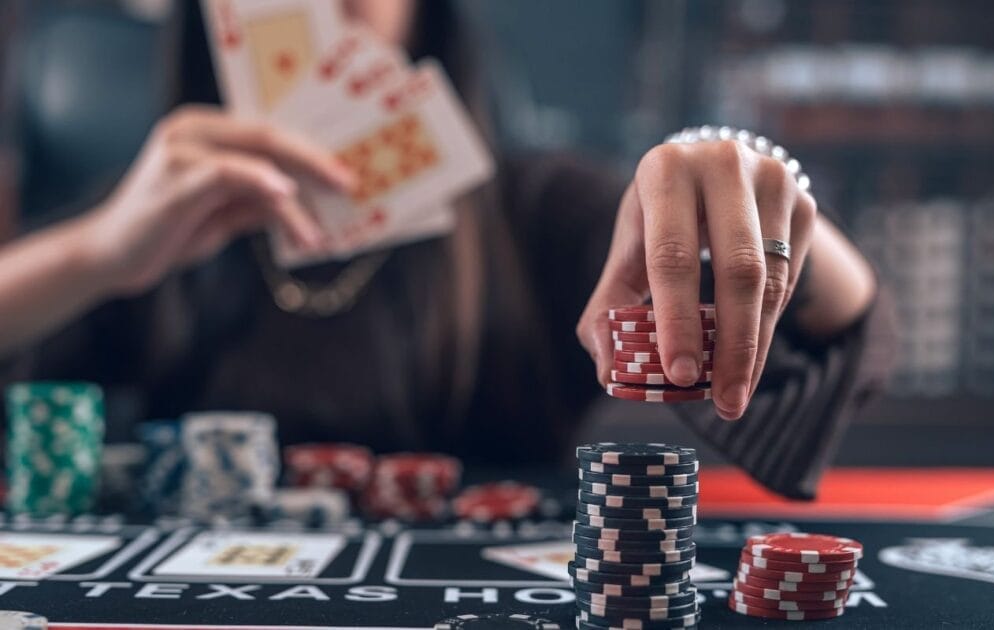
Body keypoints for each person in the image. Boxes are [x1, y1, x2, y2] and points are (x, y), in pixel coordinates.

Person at [0, 0, 888, 498]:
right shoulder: (144, 230)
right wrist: (98, 252)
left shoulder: (541, 208)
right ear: (215, 21)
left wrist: (761, 188)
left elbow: (835, 341)